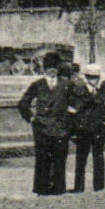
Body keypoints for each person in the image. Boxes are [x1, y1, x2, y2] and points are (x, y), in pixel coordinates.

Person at [18, 56, 71, 195]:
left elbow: (78, 102)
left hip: (61, 128)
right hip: (42, 128)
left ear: (58, 69)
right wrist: (31, 118)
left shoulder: (66, 84)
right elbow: (23, 103)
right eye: (48, 68)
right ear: (44, 69)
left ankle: (59, 189)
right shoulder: (38, 84)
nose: (52, 71)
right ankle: (42, 190)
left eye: (54, 68)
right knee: (42, 160)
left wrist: (70, 119)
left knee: (59, 159)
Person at [70, 63, 105, 192]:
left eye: (96, 77)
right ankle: (79, 187)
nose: (94, 80)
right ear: (86, 77)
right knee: (81, 160)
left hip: (98, 129)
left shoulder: (101, 91)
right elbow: (74, 110)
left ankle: (99, 187)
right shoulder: (79, 91)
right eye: (91, 77)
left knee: (99, 159)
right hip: (83, 130)